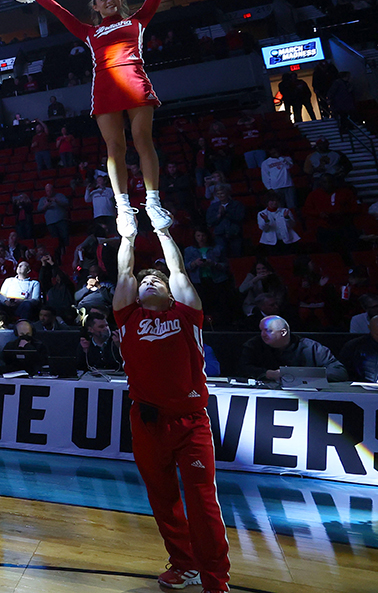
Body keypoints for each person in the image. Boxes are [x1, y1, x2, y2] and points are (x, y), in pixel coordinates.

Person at [28, 0, 186, 238]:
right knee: (115, 149)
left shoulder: (137, 20)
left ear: (120, 1)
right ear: (96, 7)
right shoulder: (88, 32)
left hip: (135, 83)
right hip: (104, 89)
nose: (109, 0)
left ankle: (153, 203)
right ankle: (124, 209)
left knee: (142, 139)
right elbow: (60, 12)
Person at [113, 214, 230, 593]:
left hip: (190, 421)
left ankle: (216, 580)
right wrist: (127, 237)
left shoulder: (186, 315)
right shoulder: (128, 317)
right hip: (146, 421)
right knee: (163, 500)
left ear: (170, 292)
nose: (148, 282)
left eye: (156, 281)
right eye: (145, 280)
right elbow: (125, 275)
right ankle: (184, 565)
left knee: (202, 503)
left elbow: (178, 270)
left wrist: (162, 230)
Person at [240, 316, 347, 382]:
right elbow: (241, 368)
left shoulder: (311, 347)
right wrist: (268, 374)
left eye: (268, 331)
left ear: (283, 332)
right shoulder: (254, 345)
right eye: (261, 330)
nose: (263, 334)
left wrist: (301, 374)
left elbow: (339, 372)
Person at [37, 183, 71, 254]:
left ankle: (67, 252)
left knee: (64, 237)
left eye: (50, 190)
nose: (49, 192)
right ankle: (59, 253)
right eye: (47, 191)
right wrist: (46, 205)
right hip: (50, 223)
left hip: (61, 220)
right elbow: (39, 209)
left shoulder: (59, 196)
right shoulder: (43, 199)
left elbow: (66, 203)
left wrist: (56, 201)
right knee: (55, 240)